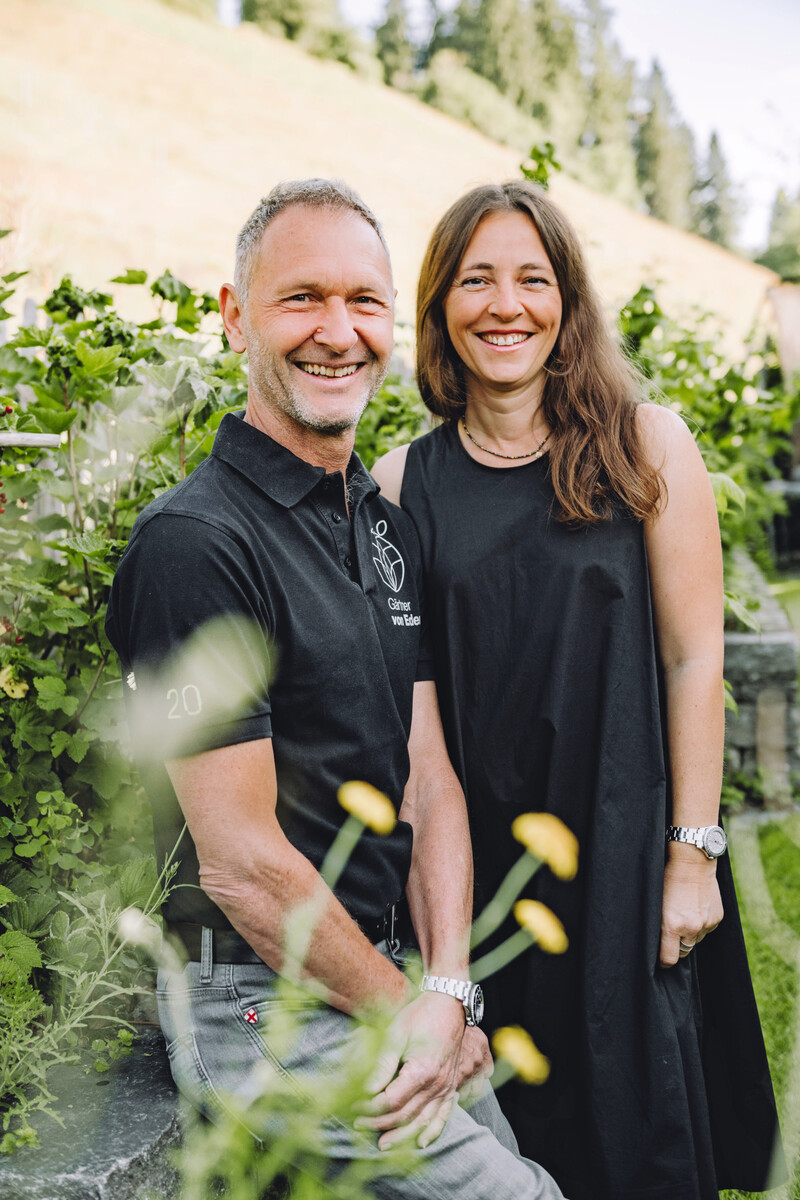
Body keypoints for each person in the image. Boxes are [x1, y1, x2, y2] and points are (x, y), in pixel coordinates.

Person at [105, 178, 567, 1200]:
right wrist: (406, 1010)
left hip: (388, 978)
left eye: (364, 301)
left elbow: (425, 774)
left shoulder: (382, 525)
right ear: (236, 318)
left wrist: (446, 986)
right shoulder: (195, 547)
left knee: (531, 1175)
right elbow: (240, 865)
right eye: (301, 298)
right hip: (260, 1002)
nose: (337, 330)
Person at [372, 180, 782, 1200]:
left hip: (627, 846)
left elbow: (694, 660)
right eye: (476, 280)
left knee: (639, 1131)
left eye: (531, 279)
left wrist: (691, 855)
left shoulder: (645, 445)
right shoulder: (399, 484)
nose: (505, 305)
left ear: (566, 302)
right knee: (517, 1135)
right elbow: (414, 716)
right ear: (439, 306)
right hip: (488, 870)